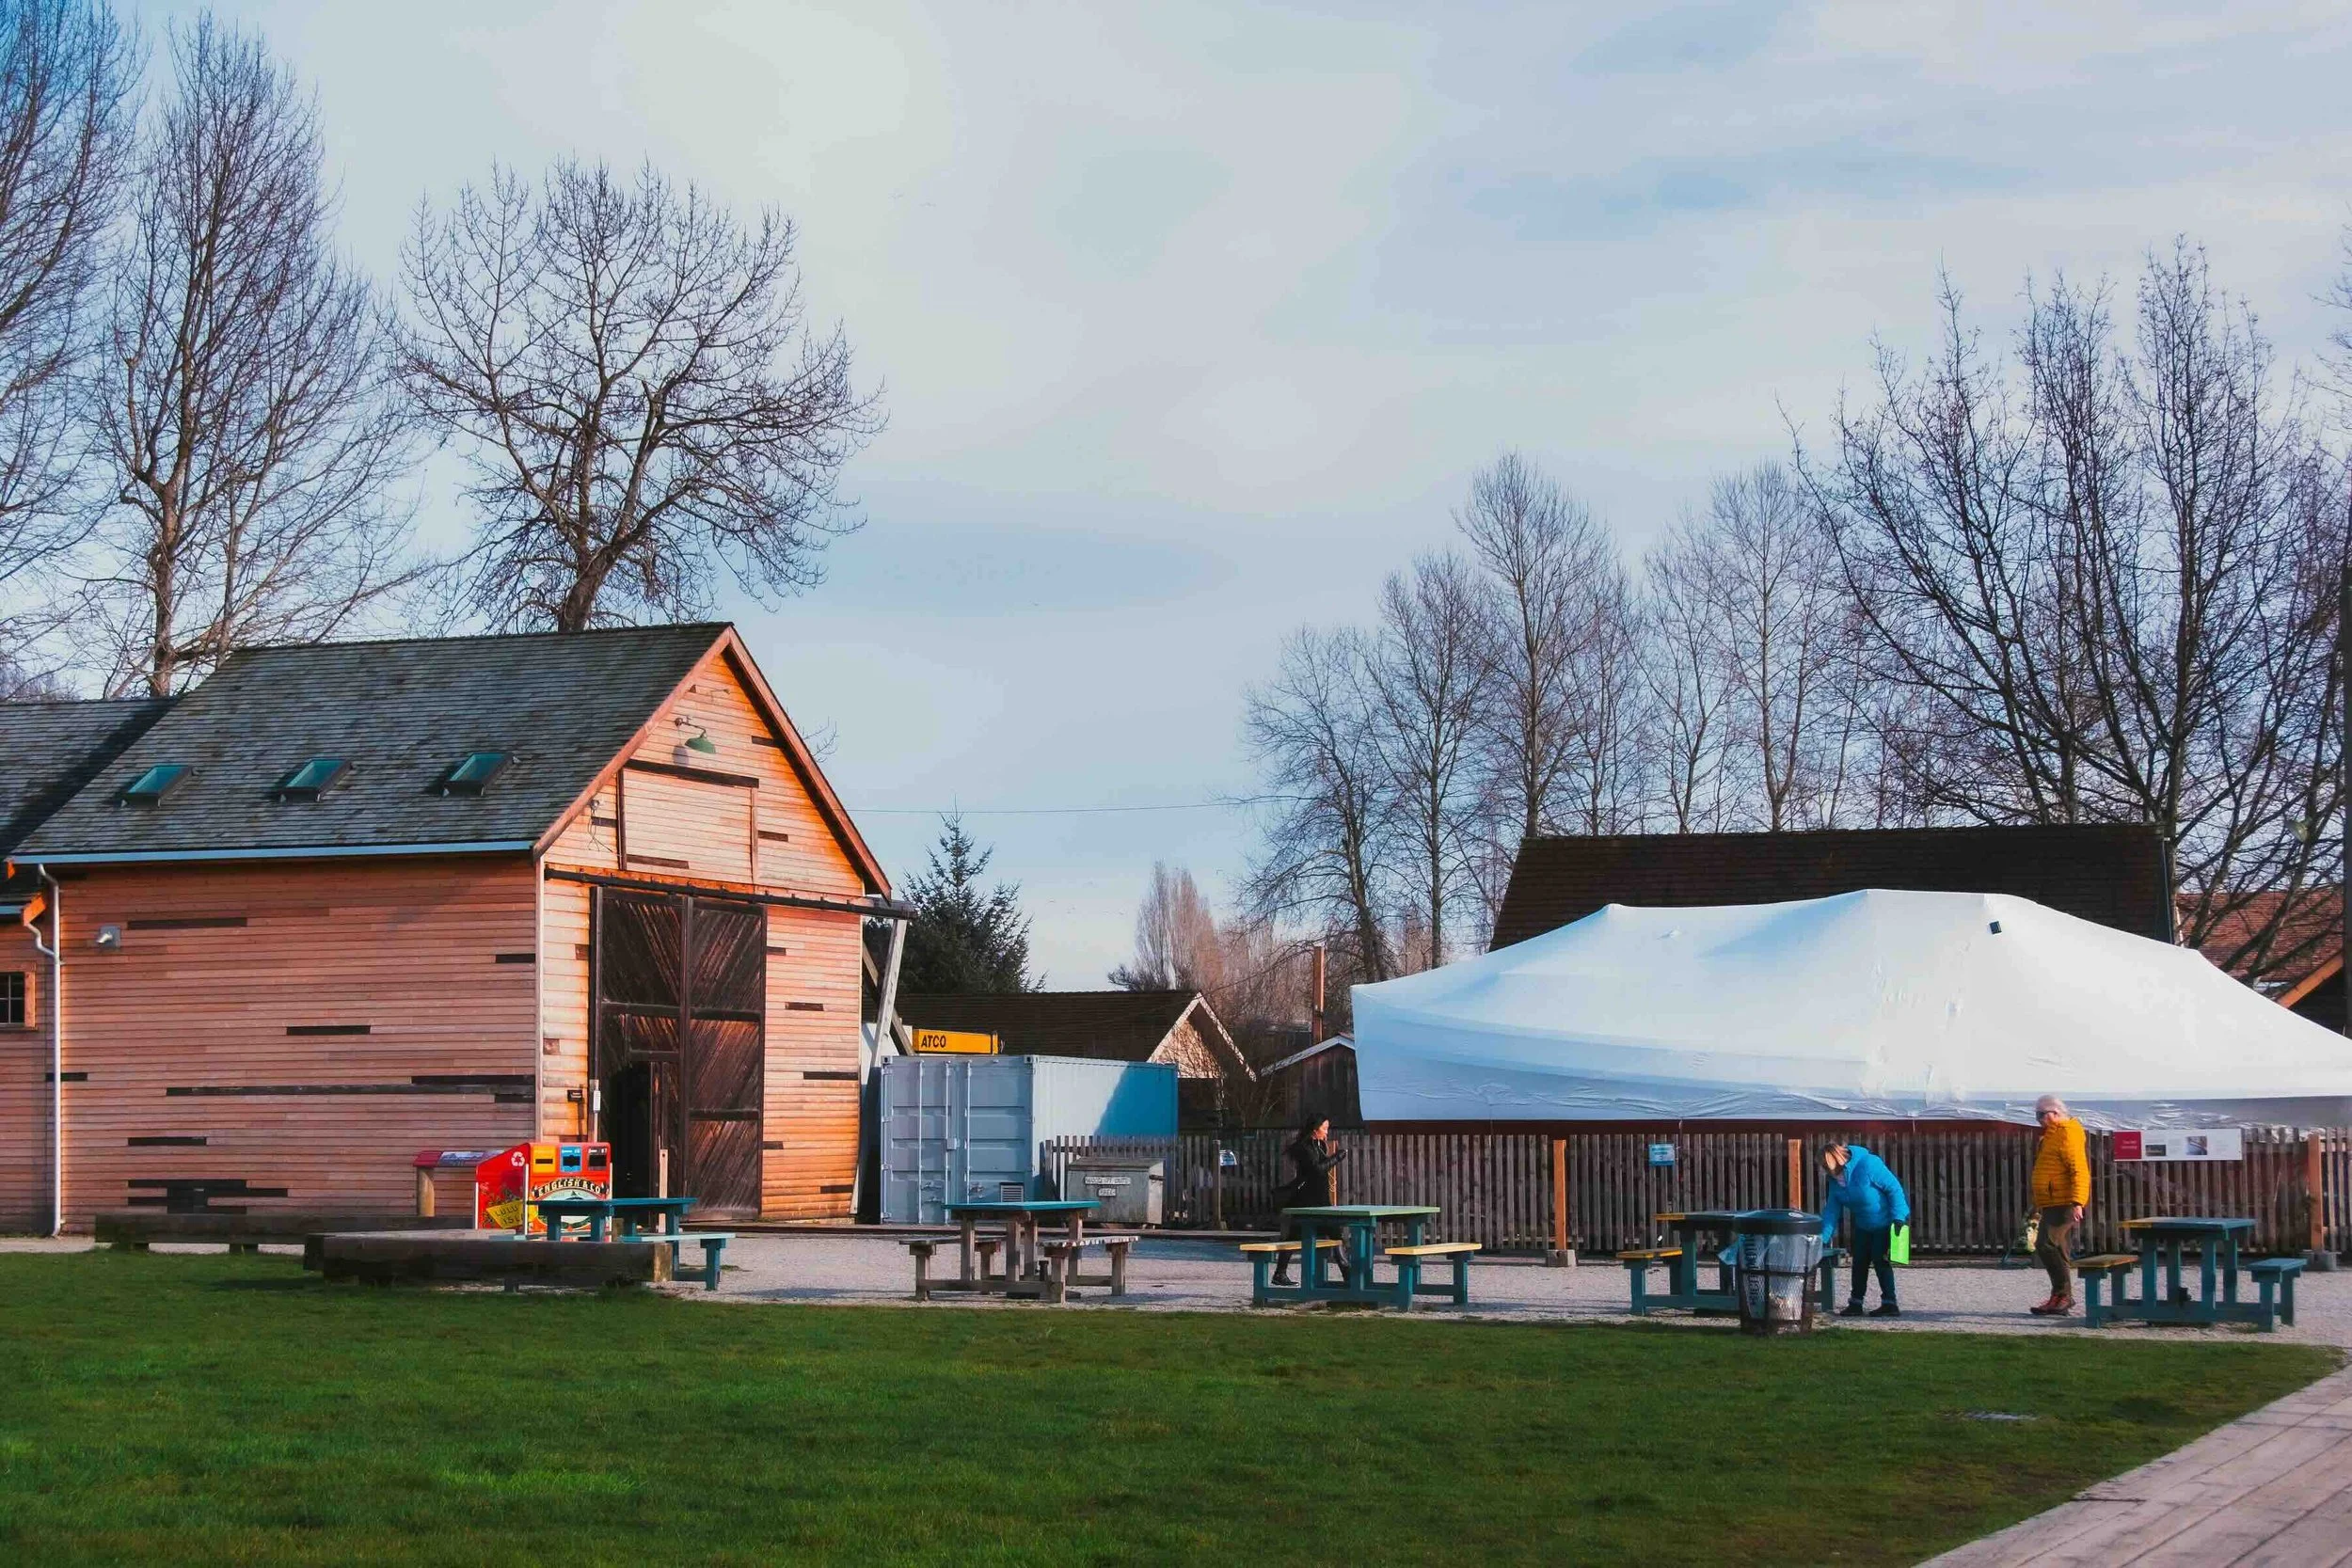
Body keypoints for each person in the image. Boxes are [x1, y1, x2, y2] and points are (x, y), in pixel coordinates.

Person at [1818, 1142, 1910, 1317]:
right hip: (1863, 1225)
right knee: (1859, 1262)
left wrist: (1899, 1216)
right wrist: (1823, 1238)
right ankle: (1856, 1303)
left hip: (1885, 1222)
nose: (1823, 1169)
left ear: (1834, 1160)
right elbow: (1832, 1210)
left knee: (1879, 1259)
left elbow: (1894, 1188)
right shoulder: (1835, 1181)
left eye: (1825, 1165)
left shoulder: (1868, 1164)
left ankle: (1890, 1302)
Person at [2030, 1094, 2090, 1317]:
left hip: (2064, 1201)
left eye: (2040, 1115)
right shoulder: (2051, 1136)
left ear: (2055, 1113)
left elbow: (2079, 1169)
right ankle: (2060, 1297)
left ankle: (2063, 1296)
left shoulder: (2067, 1133)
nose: (2038, 1120)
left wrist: (2077, 1202)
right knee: (2058, 1249)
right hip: (2053, 1201)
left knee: (2045, 1244)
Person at [1269, 1117, 1344, 1286]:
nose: (1326, 1132)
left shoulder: (1318, 1145)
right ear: (1315, 1129)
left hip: (1318, 1198)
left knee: (1329, 1234)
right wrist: (1336, 1158)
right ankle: (1348, 1273)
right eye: (1324, 1128)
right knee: (1331, 1233)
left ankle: (1280, 1273)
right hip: (1308, 1199)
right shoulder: (1304, 1148)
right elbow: (1316, 1170)